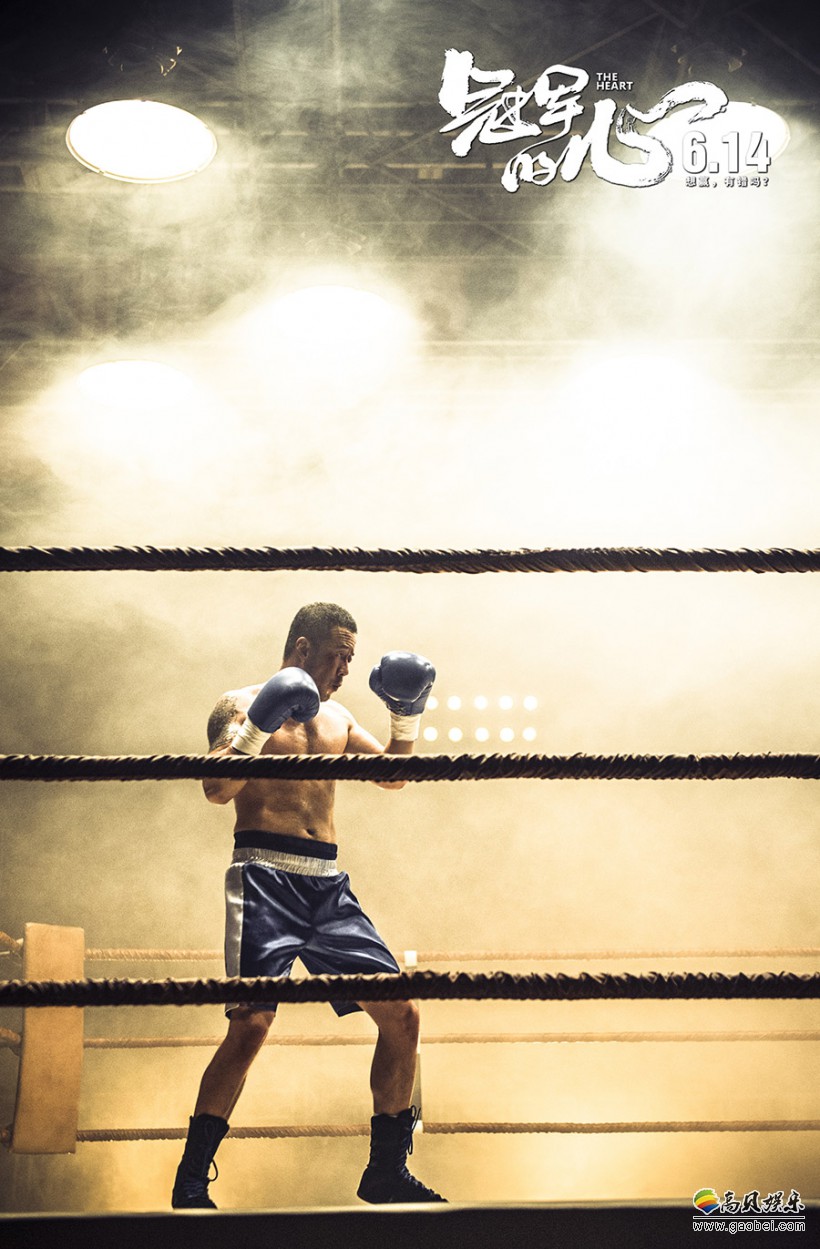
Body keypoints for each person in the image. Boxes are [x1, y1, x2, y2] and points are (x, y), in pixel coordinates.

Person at [171, 602, 445, 1208]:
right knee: (251, 1026)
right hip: (263, 877)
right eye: (336, 655)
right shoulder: (241, 705)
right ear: (301, 648)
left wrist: (406, 716)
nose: (346, 669)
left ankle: (384, 1173)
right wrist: (257, 727)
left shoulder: (341, 717)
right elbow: (217, 788)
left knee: (403, 1015)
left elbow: (395, 776)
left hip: (325, 884)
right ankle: (192, 1178)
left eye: (352, 658)